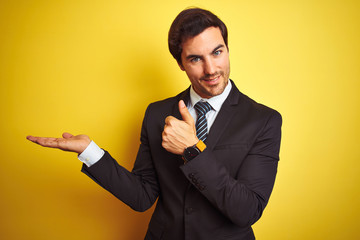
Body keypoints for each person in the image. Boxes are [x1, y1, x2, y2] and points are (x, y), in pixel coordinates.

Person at [27, 7, 282, 240]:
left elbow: (247, 210)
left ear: (227, 49)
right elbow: (142, 196)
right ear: (181, 63)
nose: (211, 68)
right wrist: (90, 152)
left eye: (217, 52)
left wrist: (192, 149)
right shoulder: (157, 113)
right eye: (195, 59)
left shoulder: (264, 120)